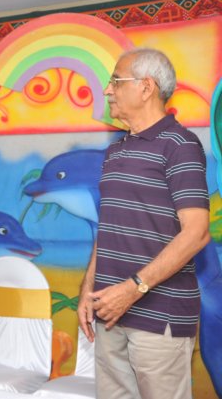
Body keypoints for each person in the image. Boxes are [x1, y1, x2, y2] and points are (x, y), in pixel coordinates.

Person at [77, 48, 210, 399]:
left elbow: (197, 233)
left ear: (146, 87)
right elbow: (108, 227)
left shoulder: (180, 146)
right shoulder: (114, 151)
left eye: (116, 81)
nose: (107, 90)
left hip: (159, 316)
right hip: (110, 313)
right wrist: (88, 289)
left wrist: (132, 289)